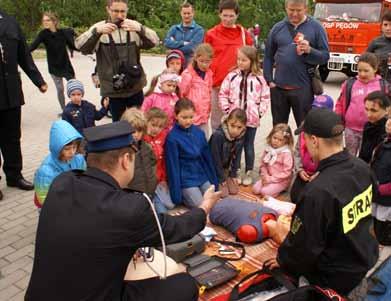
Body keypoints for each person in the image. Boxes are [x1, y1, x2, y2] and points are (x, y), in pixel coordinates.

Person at [25, 120, 221, 301]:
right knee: (184, 285)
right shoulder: (129, 208)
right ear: (126, 159)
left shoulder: (62, 182)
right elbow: (176, 228)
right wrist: (204, 207)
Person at [265, 109, 379, 296]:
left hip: (331, 281)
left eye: (305, 139)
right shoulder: (361, 167)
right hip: (360, 261)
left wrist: (284, 260)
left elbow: (305, 245)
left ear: (314, 141)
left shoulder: (317, 191)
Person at [75, 0, 159, 122]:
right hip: (113, 89)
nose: (119, 15)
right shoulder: (99, 28)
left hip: (134, 85)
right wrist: (96, 32)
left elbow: (155, 42)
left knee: (139, 123)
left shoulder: (133, 25)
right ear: (108, 9)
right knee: (118, 126)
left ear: (127, 11)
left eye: (123, 11)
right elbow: (81, 47)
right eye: (115, 11)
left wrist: (140, 29)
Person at [0, 9, 48, 200]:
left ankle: (14, 176)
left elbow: (24, 56)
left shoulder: (11, 22)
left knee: (12, 137)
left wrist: (39, 81)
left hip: (11, 92)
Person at [263, 0, 329, 127]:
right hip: (278, 88)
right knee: (278, 129)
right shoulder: (278, 28)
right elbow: (268, 56)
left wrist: (310, 50)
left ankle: (303, 148)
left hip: (303, 88)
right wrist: (269, 79)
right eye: (291, 10)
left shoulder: (316, 27)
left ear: (306, 9)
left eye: (298, 10)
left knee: (305, 129)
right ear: (286, 8)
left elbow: (325, 57)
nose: (294, 14)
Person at [219, 46, 270, 186]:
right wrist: (227, 110)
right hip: (235, 120)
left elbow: (265, 97)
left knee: (248, 145)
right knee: (236, 146)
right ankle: (235, 170)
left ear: (252, 61)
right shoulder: (232, 76)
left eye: (244, 60)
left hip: (251, 120)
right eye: (239, 59)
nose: (240, 62)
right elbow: (223, 93)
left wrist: (259, 113)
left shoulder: (260, 78)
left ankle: (248, 171)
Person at [204, 0, 253, 131]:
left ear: (237, 15)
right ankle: (216, 148)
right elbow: (205, 58)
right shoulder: (211, 34)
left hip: (238, 84)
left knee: (237, 119)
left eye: (231, 16)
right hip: (217, 84)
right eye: (225, 15)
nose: (228, 19)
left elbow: (251, 56)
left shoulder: (244, 34)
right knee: (216, 120)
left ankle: (233, 149)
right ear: (219, 14)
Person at [165, 99, 218, 207]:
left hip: (201, 175)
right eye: (184, 117)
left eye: (191, 117)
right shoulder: (172, 138)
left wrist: (213, 180)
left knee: (214, 201)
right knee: (202, 206)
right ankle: (186, 197)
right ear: (176, 115)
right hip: (186, 180)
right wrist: (176, 194)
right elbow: (172, 166)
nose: (188, 121)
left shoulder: (199, 133)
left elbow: (206, 158)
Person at [335, 53, 386, 156]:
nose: (362, 74)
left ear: (375, 69)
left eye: (366, 71)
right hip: (351, 129)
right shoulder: (350, 84)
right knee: (350, 156)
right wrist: (337, 120)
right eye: (359, 70)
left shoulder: (383, 86)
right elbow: (340, 103)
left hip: (372, 130)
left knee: (367, 157)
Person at [290, 94, 334, 202]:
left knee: (314, 199)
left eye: (321, 110)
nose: (316, 113)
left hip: (321, 174)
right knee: (295, 196)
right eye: (314, 109)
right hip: (305, 172)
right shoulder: (304, 127)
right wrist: (299, 170)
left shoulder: (332, 133)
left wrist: (319, 174)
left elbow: (334, 161)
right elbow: (297, 151)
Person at [30, 12, 76, 112]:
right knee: (60, 89)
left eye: (48, 20)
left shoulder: (63, 33)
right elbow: (33, 46)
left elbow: (72, 46)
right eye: (44, 20)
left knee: (74, 87)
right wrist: (21, 53)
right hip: (54, 66)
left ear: (54, 21)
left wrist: (87, 48)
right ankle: (65, 111)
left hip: (66, 65)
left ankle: (76, 107)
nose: (45, 22)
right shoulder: (43, 34)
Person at [33, 120, 86, 209]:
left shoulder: (79, 159)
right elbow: (44, 199)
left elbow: (84, 180)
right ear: (57, 148)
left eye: (74, 147)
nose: (72, 152)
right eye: (67, 149)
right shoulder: (46, 171)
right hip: (55, 207)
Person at [209, 108, 247, 197]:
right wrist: (221, 179)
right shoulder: (218, 136)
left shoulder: (241, 135)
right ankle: (217, 180)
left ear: (244, 127)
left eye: (239, 127)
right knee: (224, 194)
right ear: (227, 122)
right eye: (232, 126)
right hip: (214, 169)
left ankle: (227, 177)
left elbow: (237, 156)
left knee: (234, 191)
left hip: (226, 169)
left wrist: (233, 174)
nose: (235, 130)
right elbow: (215, 159)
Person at [144, 108, 175, 213]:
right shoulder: (142, 138)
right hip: (146, 181)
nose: (156, 129)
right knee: (162, 212)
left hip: (159, 179)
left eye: (160, 126)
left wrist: (163, 179)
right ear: (146, 122)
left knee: (170, 205)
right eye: (153, 125)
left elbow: (163, 162)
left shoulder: (163, 137)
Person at [179, 43, 214, 137]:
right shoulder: (188, 74)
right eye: (201, 61)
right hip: (191, 116)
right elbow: (182, 93)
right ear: (196, 58)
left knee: (204, 140)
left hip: (204, 115)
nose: (204, 64)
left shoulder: (209, 74)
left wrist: (208, 109)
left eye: (207, 61)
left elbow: (209, 92)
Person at [121, 108, 157, 196]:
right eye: (133, 131)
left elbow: (153, 163)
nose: (136, 134)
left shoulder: (147, 148)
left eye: (139, 130)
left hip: (149, 191)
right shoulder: (121, 151)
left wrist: (153, 180)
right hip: (130, 194)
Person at [252, 124, 294, 198]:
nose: (276, 141)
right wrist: (265, 175)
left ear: (286, 141)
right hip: (268, 176)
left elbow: (287, 172)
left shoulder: (286, 153)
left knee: (264, 192)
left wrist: (270, 179)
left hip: (281, 180)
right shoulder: (268, 149)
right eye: (275, 138)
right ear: (271, 136)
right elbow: (263, 164)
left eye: (280, 140)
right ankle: (270, 189)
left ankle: (281, 189)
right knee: (255, 189)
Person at [371, 117, 391, 245]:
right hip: (376, 190)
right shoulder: (384, 141)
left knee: (383, 220)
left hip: (386, 196)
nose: (389, 122)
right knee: (374, 216)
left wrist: (384, 188)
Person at [359, 91, 390, 163]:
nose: (368, 115)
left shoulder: (387, 131)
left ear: (386, 110)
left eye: (373, 110)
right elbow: (363, 151)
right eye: (366, 109)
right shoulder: (368, 125)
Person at [367, 10, 391, 83]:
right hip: (379, 86)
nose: (388, 28)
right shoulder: (375, 42)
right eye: (385, 24)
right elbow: (364, 62)